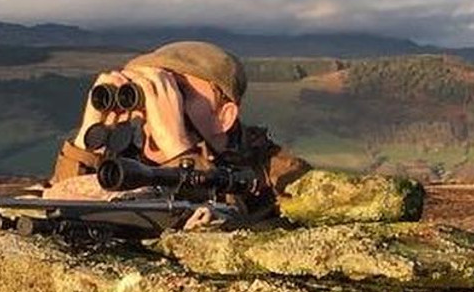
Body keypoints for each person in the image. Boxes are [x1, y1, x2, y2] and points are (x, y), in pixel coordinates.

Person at [45, 40, 310, 225]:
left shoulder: (282, 176)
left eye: (178, 93)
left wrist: (178, 148)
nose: (161, 105)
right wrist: (88, 143)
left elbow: (237, 221)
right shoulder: (128, 164)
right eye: (156, 91)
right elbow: (59, 206)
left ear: (224, 116)